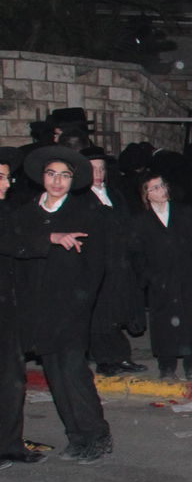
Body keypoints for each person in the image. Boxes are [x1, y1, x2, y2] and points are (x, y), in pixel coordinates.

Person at [15, 147, 112, 463]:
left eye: (65, 176)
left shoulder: (85, 212)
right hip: (37, 309)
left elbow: (95, 265)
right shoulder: (27, 212)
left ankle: (96, 435)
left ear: (73, 181)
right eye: (52, 174)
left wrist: (81, 301)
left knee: (73, 372)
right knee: (54, 375)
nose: (58, 182)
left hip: (70, 306)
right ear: (42, 177)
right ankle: (76, 436)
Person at [0, 150, 87, 466]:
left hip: (11, 307)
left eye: (7, 177)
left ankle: (8, 444)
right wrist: (50, 236)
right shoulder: (12, 214)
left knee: (11, 380)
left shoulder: (10, 210)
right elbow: (10, 241)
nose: (6, 183)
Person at [130, 171, 192, 381]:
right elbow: (136, 253)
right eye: (154, 188)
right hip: (159, 279)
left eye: (161, 186)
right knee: (163, 322)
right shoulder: (141, 220)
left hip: (185, 275)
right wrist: (148, 276)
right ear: (146, 195)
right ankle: (167, 365)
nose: (160, 191)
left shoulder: (184, 212)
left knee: (190, 320)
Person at [83, 146, 146, 376]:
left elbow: (127, 225)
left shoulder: (115, 194)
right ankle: (105, 359)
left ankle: (121, 357)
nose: (98, 173)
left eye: (101, 169)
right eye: (93, 169)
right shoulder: (81, 199)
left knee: (118, 312)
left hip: (119, 262)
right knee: (100, 315)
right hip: (97, 264)